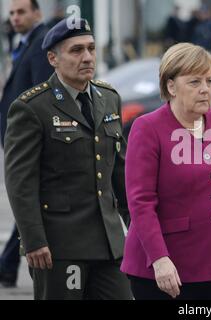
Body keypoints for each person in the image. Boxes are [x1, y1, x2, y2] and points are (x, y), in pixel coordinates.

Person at [4, 18, 132, 300]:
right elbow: (20, 183)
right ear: (53, 58)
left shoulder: (109, 98)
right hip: (60, 247)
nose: (87, 57)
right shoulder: (31, 108)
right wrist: (34, 240)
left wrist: (136, 226)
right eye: (76, 50)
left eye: (91, 48)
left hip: (110, 244)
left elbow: (119, 173)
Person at [121, 43, 211, 300]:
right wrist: (159, 258)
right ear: (171, 86)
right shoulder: (147, 128)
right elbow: (141, 202)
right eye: (194, 82)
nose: (205, 89)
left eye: (209, 81)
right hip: (168, 268)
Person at [0, 0, 53, 289]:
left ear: (37, 12)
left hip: (27, 139)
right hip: (16, 138)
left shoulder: (41, 43)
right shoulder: (22, 41)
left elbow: (39, 93)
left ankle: (7, 264)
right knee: (27, 199)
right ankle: (7, 264)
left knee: (27, 199)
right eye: (12, 13)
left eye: (21, 12)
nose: (16, 18)